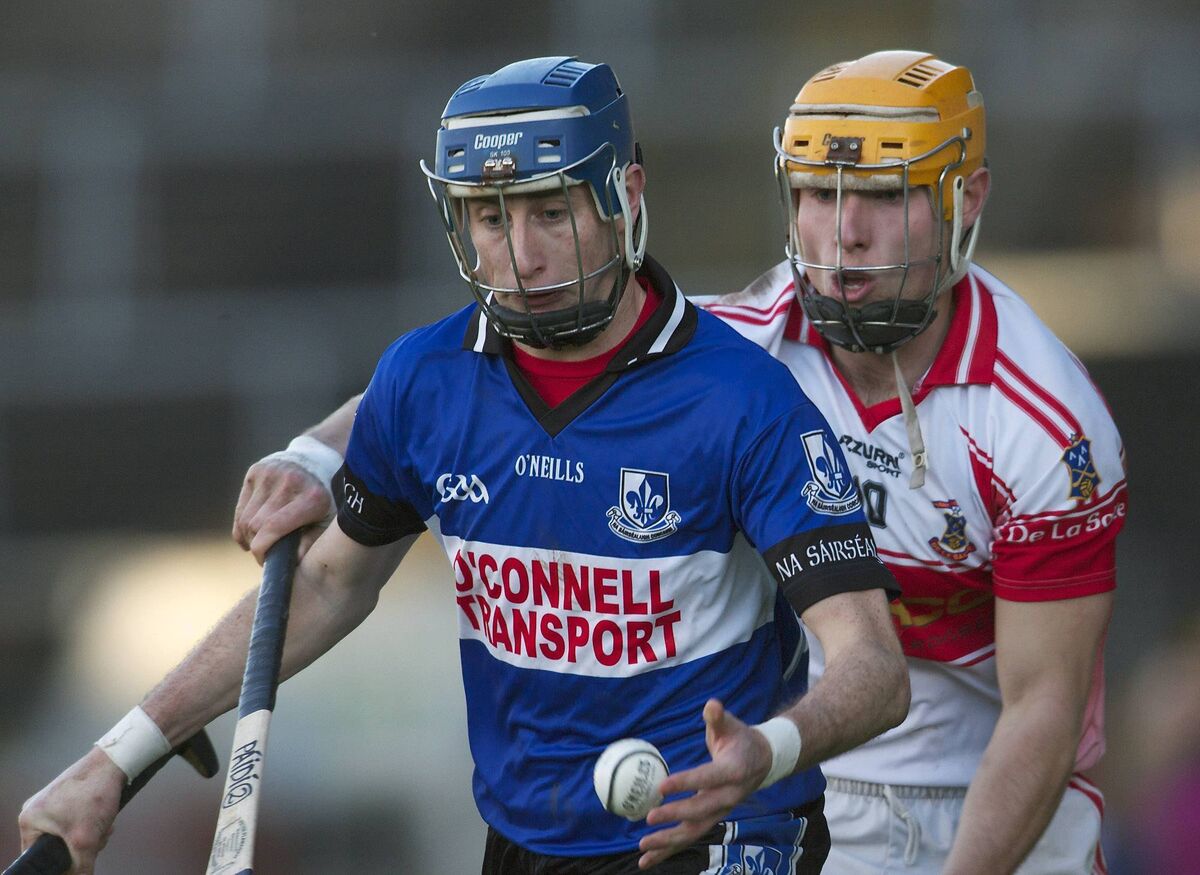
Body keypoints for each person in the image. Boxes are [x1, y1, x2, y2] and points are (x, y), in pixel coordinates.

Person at [232, 50, 1127, 874]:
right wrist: (317, 454)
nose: (843, 233)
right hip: (812, 769)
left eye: (884, 197)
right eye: (818, 195)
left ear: (967, 200)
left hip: (1000, 798)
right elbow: (464, 373)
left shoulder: (1045, 425)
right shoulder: (744, 349)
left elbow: (1044, 713)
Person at [18, 56, 910, 875]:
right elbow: (326, 583)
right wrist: (114, 761)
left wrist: (768, 750)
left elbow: (874, 666)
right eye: (490, 217)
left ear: (625, 195)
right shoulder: (426, 381)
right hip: (523, 839)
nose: (520, 255)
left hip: (720, 833)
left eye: (550, 212)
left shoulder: (745, 401)